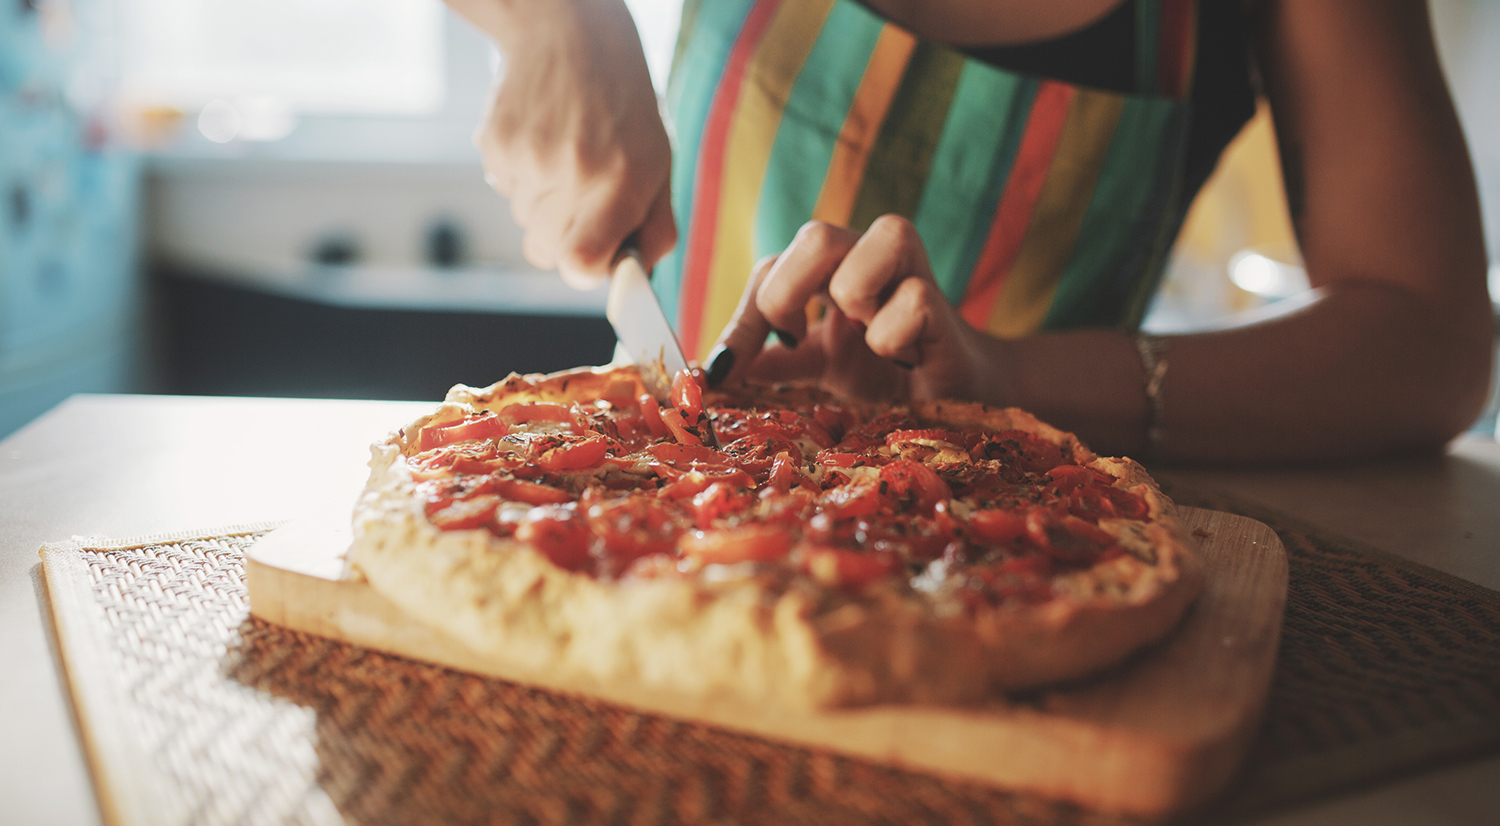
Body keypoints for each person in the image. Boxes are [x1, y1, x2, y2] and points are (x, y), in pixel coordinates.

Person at [444, 0, 1494, 463]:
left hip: (1027, 553)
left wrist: (1009, 378)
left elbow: (1433, 343)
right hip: (655, 506)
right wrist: (556, 17)